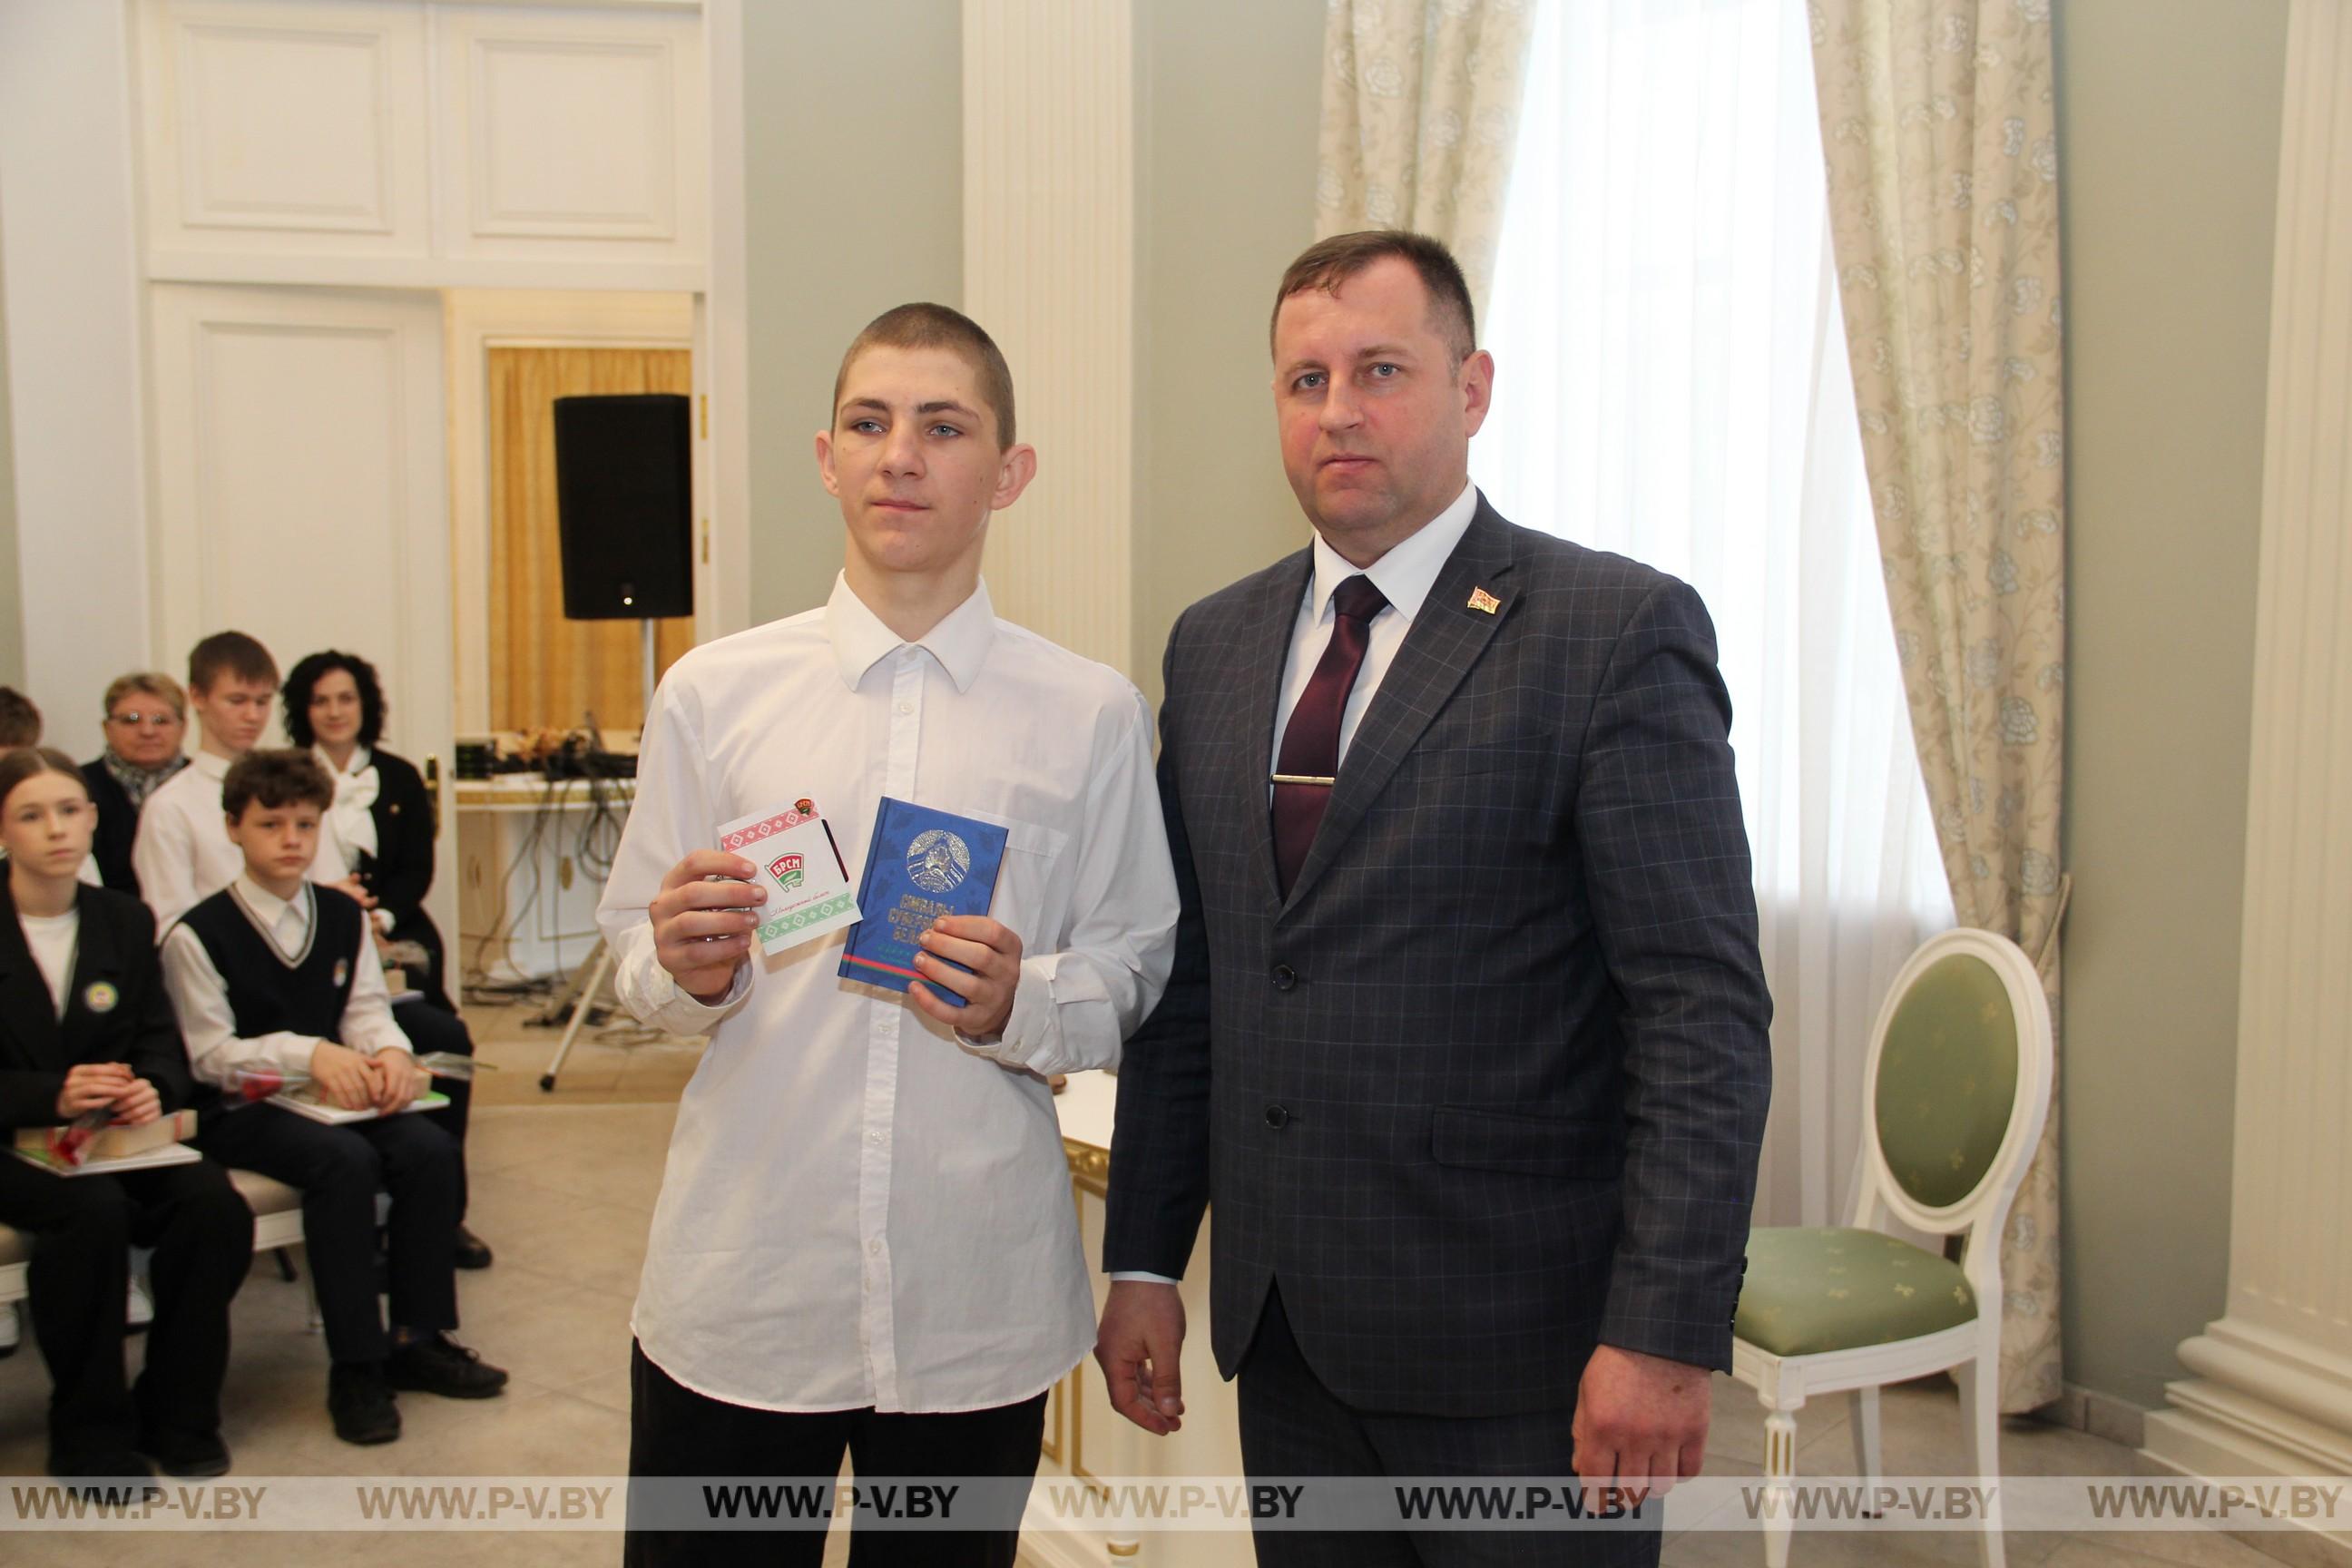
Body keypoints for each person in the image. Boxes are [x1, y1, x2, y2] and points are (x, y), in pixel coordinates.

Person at [1095, 231, 1775, 1568]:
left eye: (1381, 369)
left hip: (1522, 1355)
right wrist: (1143, 1264)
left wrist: (1660, 1334)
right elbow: (1202, 990)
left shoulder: (1609, 631)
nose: (1338, 409)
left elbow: (1698, 1017)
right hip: (1286, 1338)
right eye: (1304, 380)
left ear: (1472, 390)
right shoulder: (1217, 644)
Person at [600, 302, 1179, 1568]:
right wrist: (683, 967)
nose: (899, 455)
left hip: (975, 1296)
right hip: (747, 1286)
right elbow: (633, 950)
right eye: (869, 422)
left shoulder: (1087, 715)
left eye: (942, 426)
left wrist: (1017, 1001)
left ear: (1009, 473)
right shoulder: (714, 691)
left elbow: (1135, 968)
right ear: (825, 456)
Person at [158, 750, 506, 1446]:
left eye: (306, 824)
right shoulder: (197, 934)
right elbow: (209, 1054)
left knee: (427, 1149)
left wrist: (390, 1054)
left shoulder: (341, 918)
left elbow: (368, 1009)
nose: (291, 840)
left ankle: (419, 1336)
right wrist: (305, 1052)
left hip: (332, 1096)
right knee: (344, 1165)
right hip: (244, 1109)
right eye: (270, 824)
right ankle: (357, 1366)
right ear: (232, 828)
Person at [136, 632, 490, 1267]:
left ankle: (431, 1215)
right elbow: (168, 931)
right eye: (236, 700)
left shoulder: (293, 785)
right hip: (241, 997)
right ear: (197, 700)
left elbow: (332, 891)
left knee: (439, 1039)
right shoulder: (173, 808)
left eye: (261, 701)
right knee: (345, 1136)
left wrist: (378, 1031)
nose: (250, 714)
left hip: (319, 970)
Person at [0, 748, 250, 1485]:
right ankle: (87, 1432)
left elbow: (158, 1043)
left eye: (71, 811)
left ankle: (178, 1412)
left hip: (105, 1138)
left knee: (212, 1207)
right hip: (13, 1140)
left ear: (94, 819)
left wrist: (152, 1087)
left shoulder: (122, 918)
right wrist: (51, 1095)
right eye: (32, 815)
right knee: (92, 1215)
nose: (57, 830)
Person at [82, 672, 192, 897]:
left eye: (161, 720)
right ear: (107, 727)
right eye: (131, 720)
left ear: (183, 727)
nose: (147, 731)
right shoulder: (79, 786)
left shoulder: (207, 786)